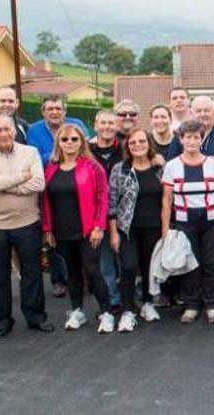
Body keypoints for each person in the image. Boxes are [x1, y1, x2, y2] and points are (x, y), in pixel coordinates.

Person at [0, 114, 53, 338]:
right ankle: (2, 321)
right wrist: (21, 177)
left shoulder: (30, 152)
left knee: (32, 273)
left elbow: (38, 183)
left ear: (14, 130)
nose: (3, 134)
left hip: (27, 222)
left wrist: (4, 185)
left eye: (7, 129)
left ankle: (35, 317)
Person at [42, 124, 115, 333]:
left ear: (81, 141)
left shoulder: (93, 167)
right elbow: (45, 202)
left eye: (74, 139)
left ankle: (107, 313)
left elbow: (103, 198)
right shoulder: (51, 169)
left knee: (92, 271)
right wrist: (48, 229)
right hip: (61, 231)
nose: (70, 143)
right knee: (71, 273)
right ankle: (77, 311)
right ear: (59, 143)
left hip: (87, 230)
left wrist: (99, 227)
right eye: (64, 140)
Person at [161, 120, 214, 324]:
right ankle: (191, 304)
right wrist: (166, 230)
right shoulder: (172, 166)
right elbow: (166, 201)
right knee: (189, 264)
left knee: (212, 263)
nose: (192, 141)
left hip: (211, 222)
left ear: (201, 139)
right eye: (188, 137)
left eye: (196, 137)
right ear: (181, 139)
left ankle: (211, 304)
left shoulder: (212, 165)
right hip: (184, 222)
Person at [108, 128, 166, 331]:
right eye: (133, 143)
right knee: (129, 267)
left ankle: (148, 304)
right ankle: (127, 310)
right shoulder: (120, 169)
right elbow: (112, 202)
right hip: (127, 228)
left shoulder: (160, 168)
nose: (137, 145)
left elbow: (169, 196)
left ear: (149, 143)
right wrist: (114, 232)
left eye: (142, 141)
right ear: (128, 146)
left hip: (154, 228)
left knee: (150, 269)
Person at [89, 110, 123, 312]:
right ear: (96, 125)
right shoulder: (87, 151)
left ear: (116, 126)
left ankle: (130, 296)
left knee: (127, 261)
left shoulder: (125, 150)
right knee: (105, 262)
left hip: (124, 213)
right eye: (103, 123)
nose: (107, 127)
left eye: (111, 123)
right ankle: (112, 299)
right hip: (98, 214)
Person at [166, 96, 214, 165]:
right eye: (198, 111)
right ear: (191, 113)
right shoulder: (181, 135)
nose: (203, 114)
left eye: (207, 110)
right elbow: (171, 163)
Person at [27, 95, 90, 165]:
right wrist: (61, 151)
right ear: (43, 112)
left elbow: (86, 151)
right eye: (50, 109)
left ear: (65, 111)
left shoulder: (77, 124)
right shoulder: (34, 130)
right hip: (48, 173)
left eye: (58, 109)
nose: (54, 112)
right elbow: (35, 159)